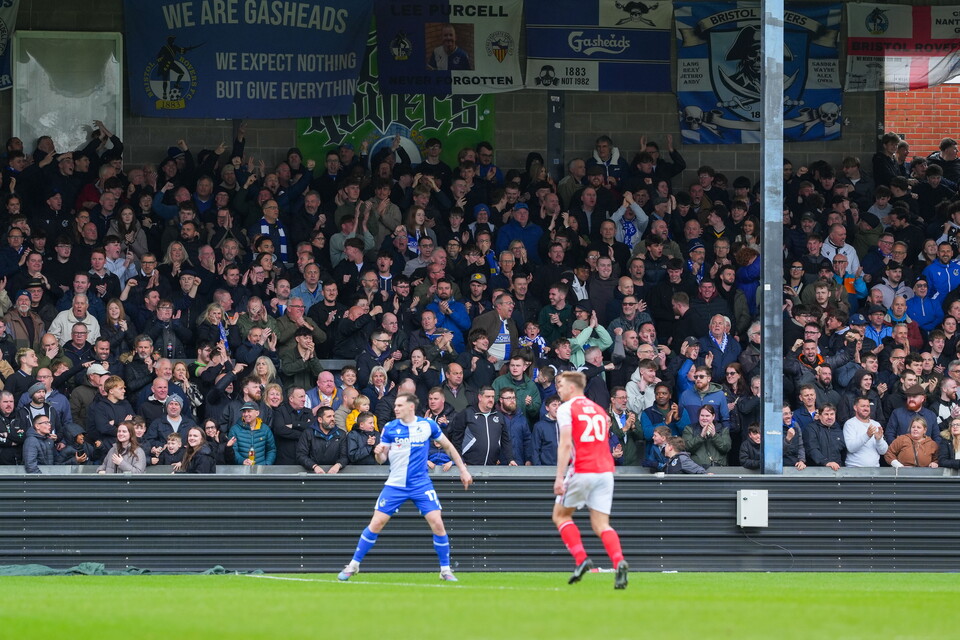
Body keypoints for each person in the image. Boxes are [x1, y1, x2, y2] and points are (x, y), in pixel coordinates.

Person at [337, 393, 472, 582]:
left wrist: (463, 470)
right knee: (376, 523)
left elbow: (449, 447)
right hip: (396, 484)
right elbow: (381, 459)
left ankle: (445, 570)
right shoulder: (390, 428)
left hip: (420, 484)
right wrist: (378, 453)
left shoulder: (427, 425)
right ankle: (353, 565)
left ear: (411, 407)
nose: (396, 408)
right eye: (395, 405)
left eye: (400, 405)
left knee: (438, 523)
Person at [551, 371, 629, 589]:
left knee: (560, 515)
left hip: (583, 469)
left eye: (562, 385)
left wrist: (559, 477)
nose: (559, 389)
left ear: (573, 387)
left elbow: (566, 443)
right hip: (605, 471)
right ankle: (618, 561)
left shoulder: (567, 408)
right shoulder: (598, 410)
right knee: (601, 524)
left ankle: (581, 558)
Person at [296, 406, 348, 473]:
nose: (333, 419)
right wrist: (314, 466)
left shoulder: (341, 434)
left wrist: (338, 465)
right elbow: (301, 455)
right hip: (312, 474)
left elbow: (345, 456)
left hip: (335, 474)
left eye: (333, 416)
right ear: (320, 420)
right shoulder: (308, 433)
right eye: (329, 416)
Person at [842, 396, 888, 468]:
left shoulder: (876, 424)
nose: (866, 409)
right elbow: (851, 448)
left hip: (875, 470)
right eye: (863, 406)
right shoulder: (850, 424)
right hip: (854, 469)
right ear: (855, 407)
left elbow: (883, 451)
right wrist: (867, 436)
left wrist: (879, 440)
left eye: (868, 406)